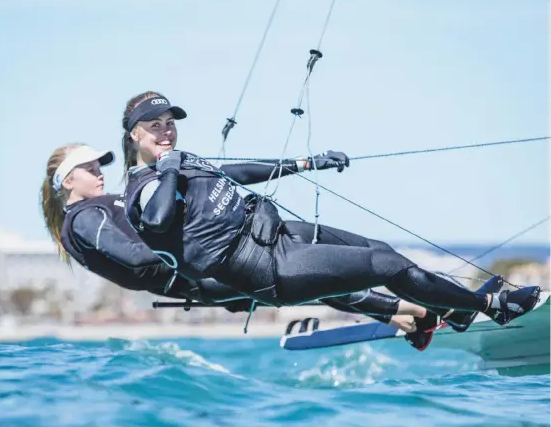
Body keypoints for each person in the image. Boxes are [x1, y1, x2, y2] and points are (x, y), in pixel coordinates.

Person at [121, 90, 540, 331]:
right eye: (155, 125)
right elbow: (158, 217)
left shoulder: (182, 160)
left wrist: (305, 163)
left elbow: (235, 171)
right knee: (387, 265)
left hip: (277, 234)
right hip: (265, 269)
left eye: (170, 121)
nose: (166, 130)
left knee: (379, 248)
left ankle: (454, 310)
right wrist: (170, 168)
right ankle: (492, 307)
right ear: (134, 134)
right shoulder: (143, 186)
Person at [40, 143, 445, 350]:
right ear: (66, 182)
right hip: (202, 277)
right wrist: (189, 247)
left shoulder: (100, 205)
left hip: (207, 269)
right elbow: (135, 256)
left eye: (99, 166)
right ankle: (419, 313)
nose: (98, 172)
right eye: (88, 169)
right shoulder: (86, 218)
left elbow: (228, 175)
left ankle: (410, 318)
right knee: (309, 276)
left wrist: (303, 164)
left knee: (315, 272)